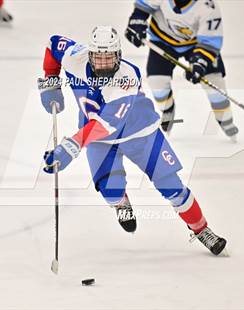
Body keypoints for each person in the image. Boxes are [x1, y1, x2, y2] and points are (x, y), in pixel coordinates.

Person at [38, 26, 227, 255]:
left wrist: (71, 146)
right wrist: (51, 79)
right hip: (100, 142)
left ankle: (201, 229)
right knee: (111, 192)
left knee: (172, 186)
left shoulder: (127, 77)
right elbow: (53, 43)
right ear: (89, 55)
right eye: (99, 58)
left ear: (118, 56)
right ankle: (121, 202)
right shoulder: (74, 57)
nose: (104, 64)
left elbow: (107, 125)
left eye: (110, 58)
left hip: (140, 135)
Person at [125, 0, 238, 139]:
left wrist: (199, 64)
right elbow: (143, 7)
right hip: (162, 40)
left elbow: (209, 42)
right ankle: (167, 110)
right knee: (157, 82)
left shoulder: (208, 7)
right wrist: (136, 22)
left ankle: (225, 119)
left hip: (196, 45)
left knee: (214, 81)